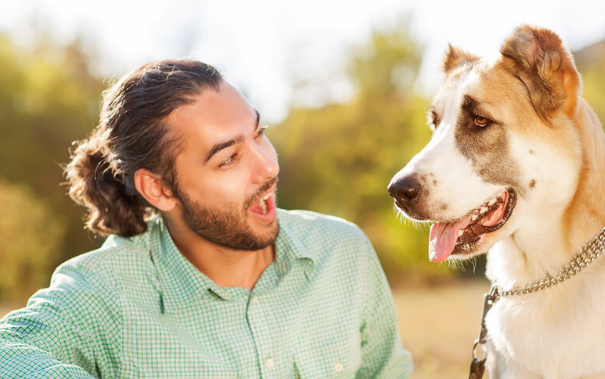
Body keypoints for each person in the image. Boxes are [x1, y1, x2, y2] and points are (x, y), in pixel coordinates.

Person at [0, 59, 413, 378]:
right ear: (158, 189)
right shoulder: (108, 293)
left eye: (258, 134)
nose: (268, 167)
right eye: (228, 158)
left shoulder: (342, 252)